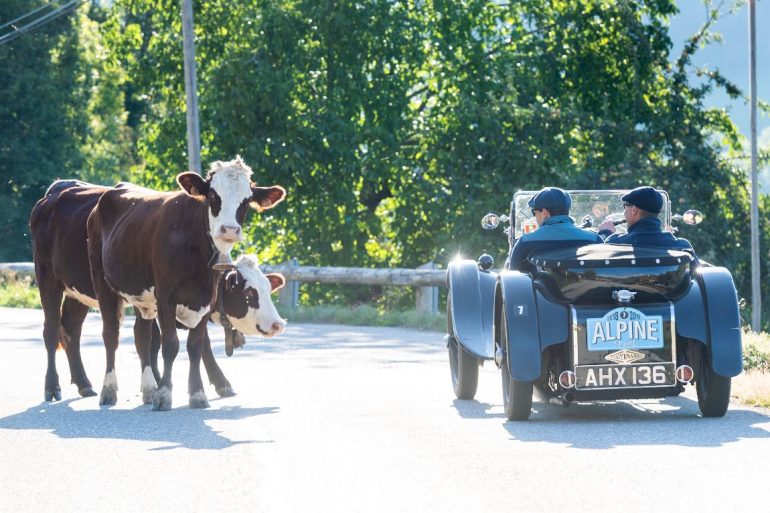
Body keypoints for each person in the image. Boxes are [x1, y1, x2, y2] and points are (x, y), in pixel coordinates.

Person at [506, 187, 603, 272]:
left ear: (545, 213)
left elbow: (514, 276)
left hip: (542, 293)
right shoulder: (594, 239)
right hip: (588, 292)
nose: (534, 217)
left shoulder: (525, 242)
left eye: (534, 212)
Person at [597, 186, 695, 253]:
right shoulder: (682, 246)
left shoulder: (614, 243)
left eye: (625, 206)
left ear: (634, 210)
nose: (624, 212)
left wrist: (605, 233)